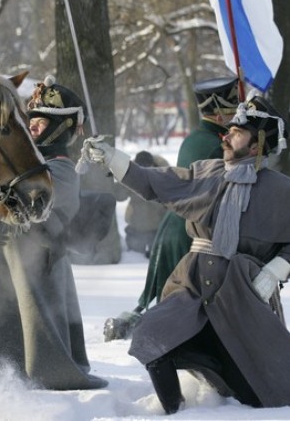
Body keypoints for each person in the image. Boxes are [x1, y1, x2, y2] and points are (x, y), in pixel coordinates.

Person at [83, 95, 290, 413]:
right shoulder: (206, 173)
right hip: (191, 286)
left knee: (258, 394)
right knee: (152, 337)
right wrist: (112, 158)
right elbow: (153, 181)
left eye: (236, 131)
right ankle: (175, 412)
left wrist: (276, 269)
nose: (225, 135)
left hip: (242, 298)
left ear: (257, 144)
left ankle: (220, 372)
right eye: (228, 129)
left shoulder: (281, 190)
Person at [0, 76, 107, 391]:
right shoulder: (15, 164)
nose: (32, 127)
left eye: (39, 122)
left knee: (27, 336)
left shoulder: (61, 171)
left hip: (30, 274)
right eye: (31, 121)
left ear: (59, 127)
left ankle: (35, 370)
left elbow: (21, 209)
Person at [104, 77, 239, 341]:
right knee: (182, 302)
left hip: (176, 223)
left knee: (163, 296)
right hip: (193, 232)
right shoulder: (216, 145)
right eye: (232, 109)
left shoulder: (199, 137)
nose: (236, 115)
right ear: (220, 111)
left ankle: (132, 325)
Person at [112, 150, 168, 256]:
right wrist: (117, 178)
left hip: (158, 230)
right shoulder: (133, 175)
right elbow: (119, 195)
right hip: (135, 229)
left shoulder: (164, 176)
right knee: (134, 256)